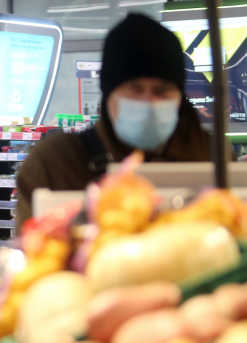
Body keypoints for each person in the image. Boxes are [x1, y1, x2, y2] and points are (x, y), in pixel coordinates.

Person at [16, 13, 211, 226]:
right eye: (134, 89)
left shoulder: (211, 155)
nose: (149, 102)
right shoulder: (54, 164)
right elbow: (34, 252)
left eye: (162, 91)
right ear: (109, 94)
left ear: (179, 98)